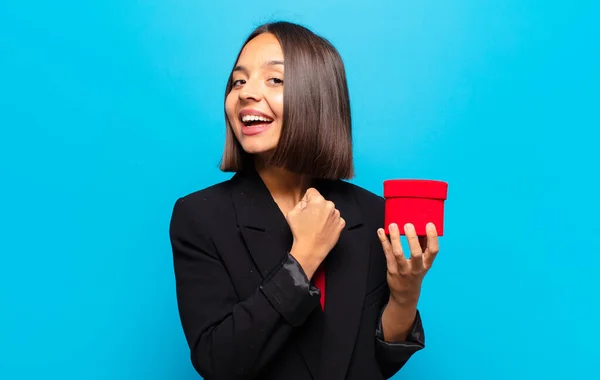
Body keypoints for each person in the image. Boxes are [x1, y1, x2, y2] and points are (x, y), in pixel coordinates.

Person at [169, 21, 440, 380]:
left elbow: (376, 362)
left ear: (317, 96)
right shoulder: (200, 217)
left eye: (274, 80)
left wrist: (405, 296)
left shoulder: (372, 214)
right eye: (238, 81)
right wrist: (303, 258)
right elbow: (219, 361)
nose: (246, 93)